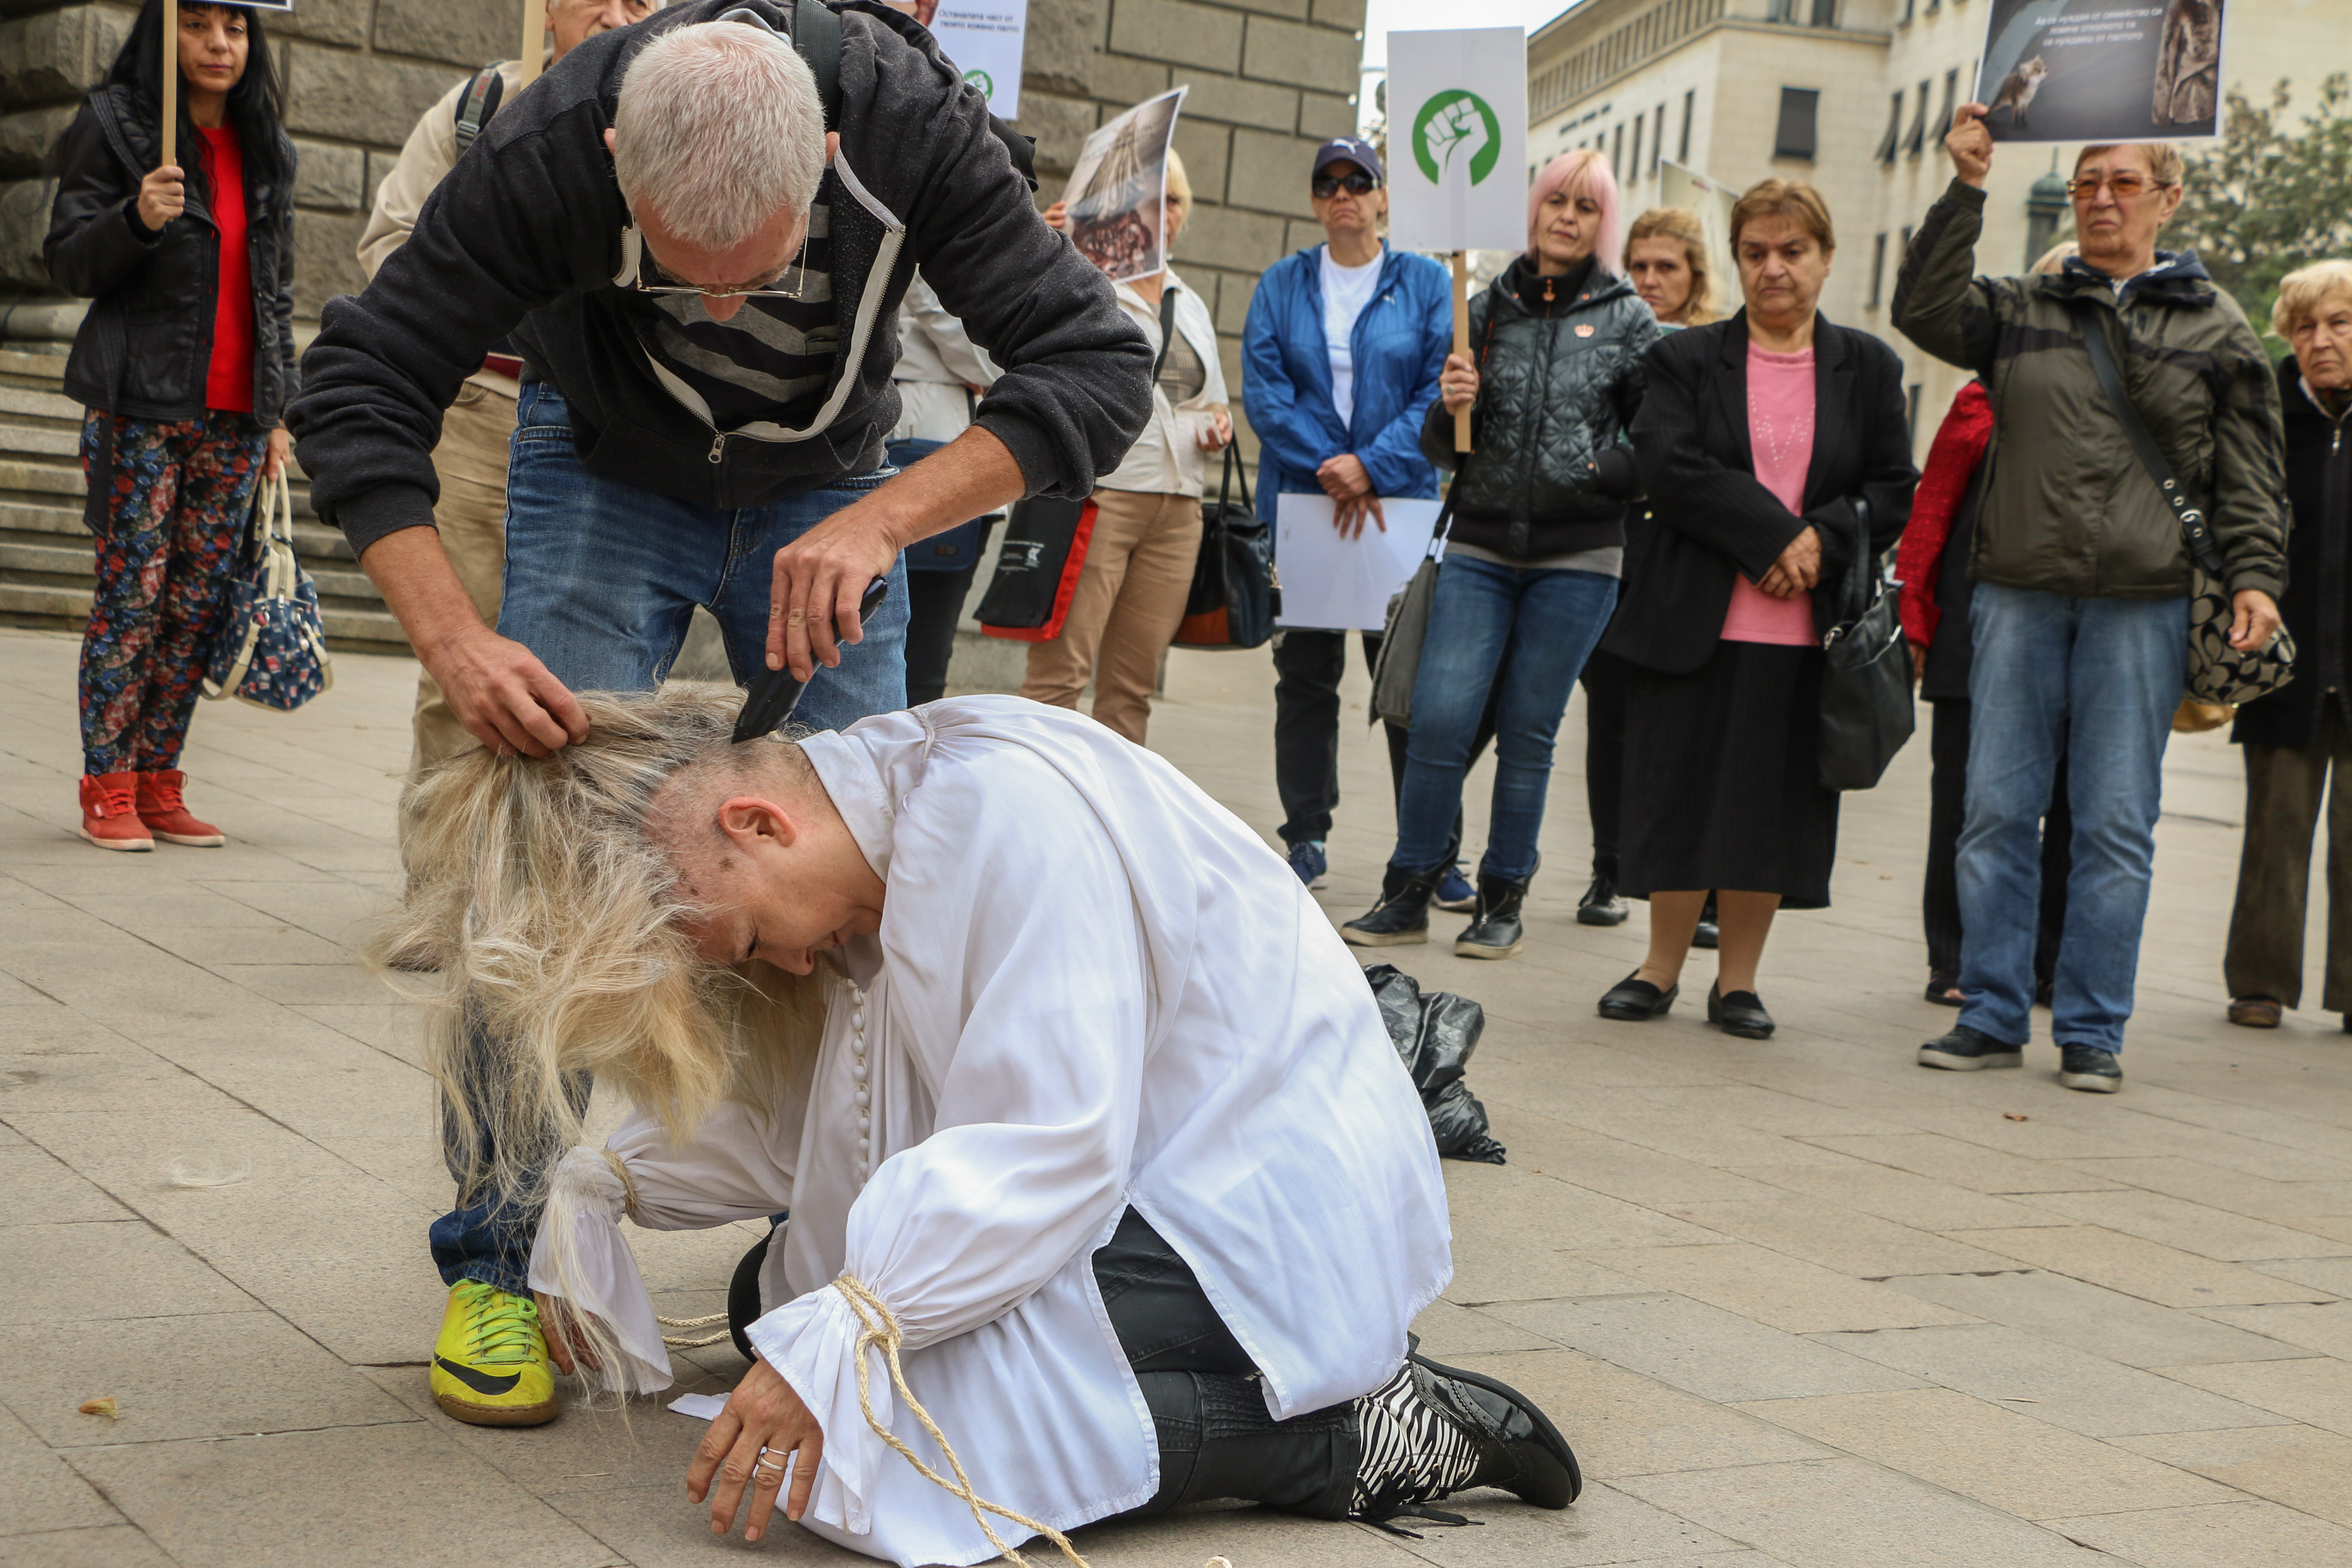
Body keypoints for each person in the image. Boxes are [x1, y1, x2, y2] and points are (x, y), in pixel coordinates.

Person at [289, 3, 1151, 1427]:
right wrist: (454, 637)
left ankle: (854, 1258)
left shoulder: (908, 121)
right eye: (686, 279)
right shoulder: (546, 145)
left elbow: (1097, 365)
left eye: (757, 274)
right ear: (615, 160)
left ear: (824, 154)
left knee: (864, 888)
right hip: (605, 465)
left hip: (836, 476)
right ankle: (499, 1257)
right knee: (540, 875)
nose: (729, 310)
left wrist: (881, 525)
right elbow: (360, 383)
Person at [380, 688, 1580, 1562]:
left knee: (898, 1435)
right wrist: (609, 1190)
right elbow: (813, 1116)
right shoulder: (868, 824)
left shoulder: (998, 814)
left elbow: (1051, 1146)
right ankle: (1229, 1395)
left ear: (755, 823)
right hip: (1133, 1176)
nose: (778, 966)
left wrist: (860, 1326)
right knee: (775, 1308)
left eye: (746, 940)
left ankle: (1349, 1437)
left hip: (1244, 1197)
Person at [1898, 112, 2286, 1092]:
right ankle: (1987, 1013)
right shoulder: (2023, 305)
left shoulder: (2214, 324)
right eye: (2083, 185)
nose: (2100, 200)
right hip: (2018, 595)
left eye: (2121, 184)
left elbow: (2247, 475)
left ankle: (2090, 1030)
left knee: (2114, 823)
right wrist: (1965, 187)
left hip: (2142, 603)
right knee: (1991, 812)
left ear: (2166, 196)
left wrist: (2254, 581)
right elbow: (1922, 308)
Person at [1596, 179, 1916, 1038]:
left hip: (1806, 633)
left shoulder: (1871, 366)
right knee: (1680, 789)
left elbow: (1892, 490)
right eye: (1756, 253)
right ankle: (1658, 967)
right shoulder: (1687, 360)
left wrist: (1820, 545)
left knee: (1769, 807)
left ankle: (1739, 983)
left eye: (1793, 252)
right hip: (1695, 617)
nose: (1774, 269)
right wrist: (1773, 538)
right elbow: (1669, 462)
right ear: (1736, 262)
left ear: (1825, 258)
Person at [1341, 150, 1657, 960]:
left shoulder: (1627, 319)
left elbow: (1660, 438)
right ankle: (1409, 886)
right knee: (1440, 718)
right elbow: (1444, 451)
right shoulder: (1481, 309)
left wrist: (1603, 472)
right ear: (1531, 207)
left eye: (1586, 207)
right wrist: (1450, 410)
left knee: (1528, 728)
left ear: (1602, 223)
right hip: (1480, 541)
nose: (1567, 217)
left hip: (1579, 554)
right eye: (1556, 200)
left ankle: (1504, 894)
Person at [359, 0, 662, 776]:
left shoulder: (674, 108)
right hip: (483, 414)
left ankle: (558, 868)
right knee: (465, 671)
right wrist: (487, 257)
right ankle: (445, 876)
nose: (620, 13)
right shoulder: (481, 110)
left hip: (608, 424)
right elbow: (389, 248)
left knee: (590, 678)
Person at [45, 0, 294, 853]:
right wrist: (135, 220)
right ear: (165, 29)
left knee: (194, 607)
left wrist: (277, 412)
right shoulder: (116, 126)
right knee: (133, 597)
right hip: (138, 404)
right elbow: (66, 256)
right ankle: (106, 784)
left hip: (234, 417)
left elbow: (277, 286)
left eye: (234, 26)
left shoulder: (265, 143)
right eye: (198, 24)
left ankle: (158, 780)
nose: (219, 43)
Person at [1240, 136, 1455, 894]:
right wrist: (1337, 466)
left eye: (1358, 180)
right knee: (1304, 678)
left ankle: (1431, 849)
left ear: (1383, 195)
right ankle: (1305, 833)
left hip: (1398, 510)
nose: (1343, 194)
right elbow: (1264, 393)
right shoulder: (1282, 283)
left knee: (1408, 682)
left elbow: (1438, 389)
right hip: (1305, 507)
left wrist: (1372, 465)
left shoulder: (1426, 282)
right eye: (1327, 183)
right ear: (1313, 200)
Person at [1026, 149, 1232, 744]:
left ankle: (1116, 824)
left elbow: (1211, 401)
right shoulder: (1086, 275)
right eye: (1150, 199)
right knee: (1060, 678)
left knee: (1132, 690)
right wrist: (1048, 245)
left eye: (1173, 202)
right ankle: (1033, 811)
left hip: (1178, 508)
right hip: (1101, 496)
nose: (1163, 213)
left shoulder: (1188, 301)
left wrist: (1216, 426)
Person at [1900, 370, 2073, 1009]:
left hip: (2079, 631)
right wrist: (1915, 618)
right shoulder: (1980, 402)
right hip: (1969, 625)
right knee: (1961, 799)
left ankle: (2048, 961)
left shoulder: (2123, 398)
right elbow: (1932, 510)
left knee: (2071, 808)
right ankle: (1953, 955)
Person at [1580, 206, 1718, 934]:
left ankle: (1688, 886)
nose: (1649, 280)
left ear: (1694, 274)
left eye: (1666, 267)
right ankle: (1608, 867)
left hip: (1686, 558)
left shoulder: (1718, 348)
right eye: (1637, 267)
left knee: (1687, 728)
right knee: (1611, 722)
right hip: (1612, 545)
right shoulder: (1600, 335)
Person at [2223, 261, 2352, 1029]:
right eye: (2305, 326)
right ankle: (2259, 982)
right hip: (2282, 659)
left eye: (2338, 322)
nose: (2320, 339)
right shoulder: (2266, 420)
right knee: (2274, 830)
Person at [887, 273, 1000, 704]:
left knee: (926, 656)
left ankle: (911, 771)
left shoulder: (973, 242)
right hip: (858, 454)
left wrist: (914, 272)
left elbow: (990, 363)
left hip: (951, 464)